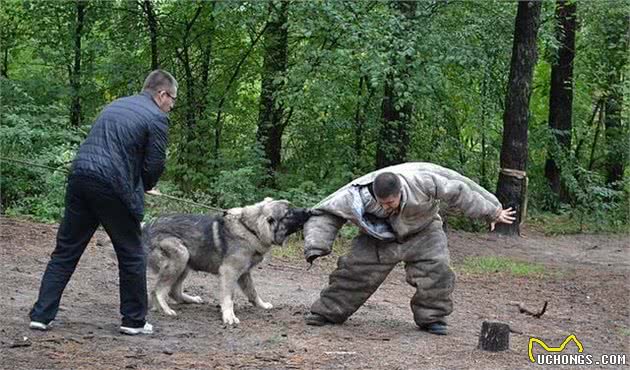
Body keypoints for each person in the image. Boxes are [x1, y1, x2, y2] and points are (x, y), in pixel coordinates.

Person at [29, 70, 177, 335]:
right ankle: (133, 321)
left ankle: (41, 315)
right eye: (172, 100)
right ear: (162, 93)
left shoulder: (116, 104)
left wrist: (137, 181)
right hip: (112, 186)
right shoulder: (157, 117)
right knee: (132, 253)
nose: (171, 106)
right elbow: (155, 163)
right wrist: (147, 185)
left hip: (80, 177)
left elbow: (108, 146)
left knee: (65, 251)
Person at [302, 162, 516, 335]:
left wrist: (492, 210)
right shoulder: (355, 195)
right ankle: (328, 311)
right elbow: (324, 212)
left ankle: (432, 318)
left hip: (424, 230)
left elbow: (460, 188)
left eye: (391, 202)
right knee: (354, 273)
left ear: (400, 191)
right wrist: (317, 244)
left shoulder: (422, 179)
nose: (387, 207)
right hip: (378, 237)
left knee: (437, 271)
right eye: (382, 203)